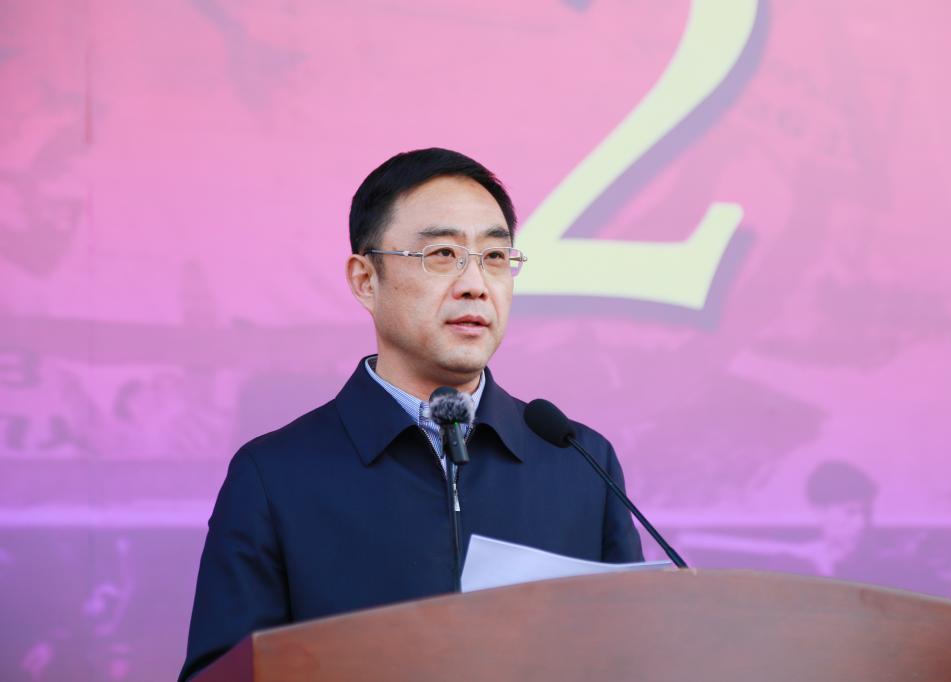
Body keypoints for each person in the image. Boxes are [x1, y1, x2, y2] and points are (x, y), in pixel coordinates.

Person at [179, 148, 643, 680]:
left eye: (495, 256)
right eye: (443, 254)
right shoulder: (275, 476)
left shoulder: (579, 461)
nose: (476, 284)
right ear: (365, 280)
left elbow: (632, 657)